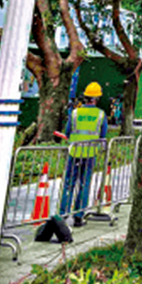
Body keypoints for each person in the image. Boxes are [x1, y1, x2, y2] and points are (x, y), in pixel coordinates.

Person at [58, 80, 107, 227]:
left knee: (68, 184)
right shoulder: (100, 115)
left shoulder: (75, 113)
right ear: (97, 99)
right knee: (84, 184)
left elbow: (67, 132)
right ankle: (79, 216)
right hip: (90, 153)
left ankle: (63, 214)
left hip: (74, 152)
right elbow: (102, 135)